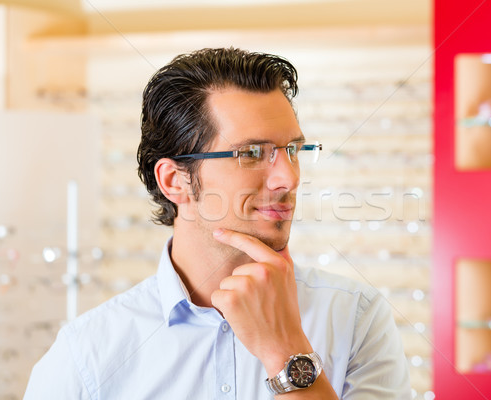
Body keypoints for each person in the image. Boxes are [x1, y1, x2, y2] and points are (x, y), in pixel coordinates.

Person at [24, 47, 410, 399]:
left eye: (292, 149)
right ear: (175, 181)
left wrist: (285, 350)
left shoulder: (356, 318)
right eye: (252, 153)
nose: (288, 178)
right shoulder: (86, 358)